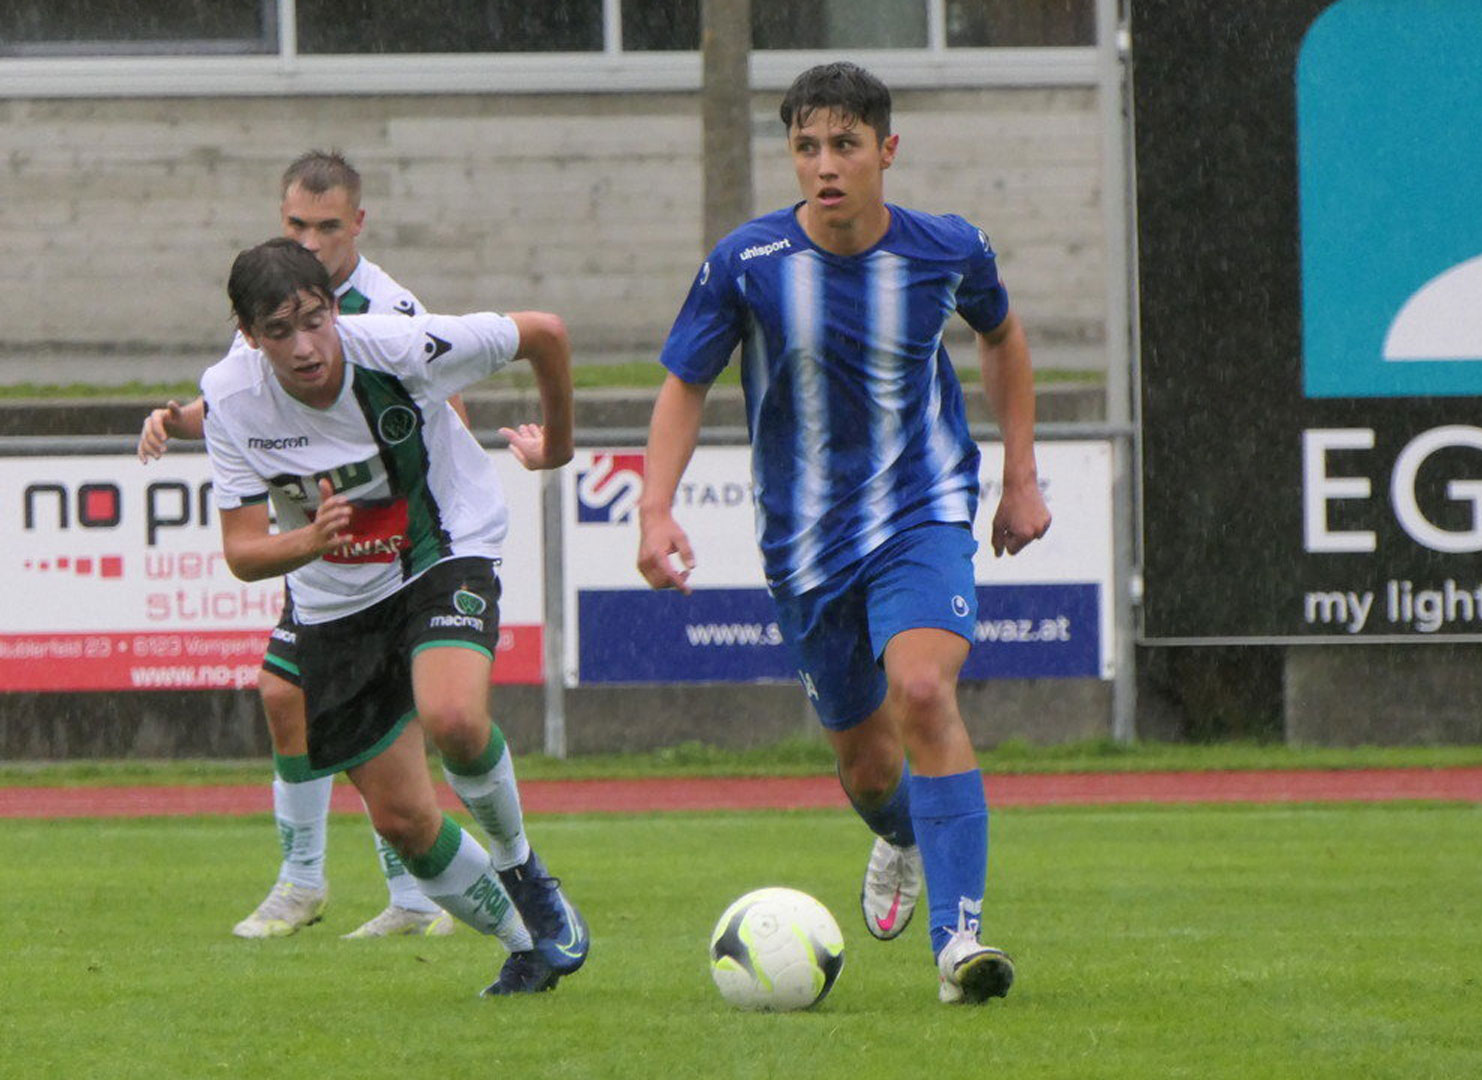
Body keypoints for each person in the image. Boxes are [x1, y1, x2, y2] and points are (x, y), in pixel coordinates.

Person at [636, 61, 1051, 1005]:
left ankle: (959, 944)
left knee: (923, 691)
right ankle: (900, 834)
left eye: (845, 145)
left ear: (886, 151)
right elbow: (686, 383)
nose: (825, 165)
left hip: (921, 511)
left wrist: (1020, 476)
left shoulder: (948, 249)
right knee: (867, 770)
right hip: (806, 546)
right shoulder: (747, 263)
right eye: (807, 147)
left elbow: (1002, 335)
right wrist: (655, 509)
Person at [202, 236, 589, 995]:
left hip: (440, 551)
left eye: (314, 320)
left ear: (334, 310)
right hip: (334, 602)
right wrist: (309, 541)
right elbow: (244, 553)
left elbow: (545, 332)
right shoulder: (229, 398)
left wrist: (560, 448)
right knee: (403, 822)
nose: (305, 346)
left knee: (454, 719)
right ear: (248, 335)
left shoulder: (399, 346)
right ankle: (526, 946)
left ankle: (522, 868)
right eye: (278, 331)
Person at [139, 150, 463, 940]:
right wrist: (179, 418)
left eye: (327, 226)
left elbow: (441, 408)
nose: (311, 240)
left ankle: (414, 893)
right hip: (320, 538)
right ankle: (311, 881)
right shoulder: (275, 297)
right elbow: (240, 395)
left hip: (394, 543)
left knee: (380, 713)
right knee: (288, 697)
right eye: (296, 224)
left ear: (359, 223)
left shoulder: (389, 307)